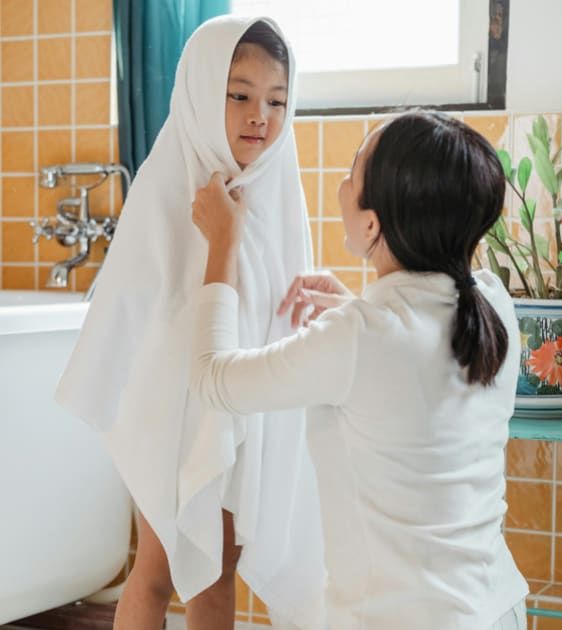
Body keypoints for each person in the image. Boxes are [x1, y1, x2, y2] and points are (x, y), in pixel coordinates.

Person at [188, 110, 530, 629]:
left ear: (371, 223)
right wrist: (353, 310)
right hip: (496, 609)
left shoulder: (360, 336)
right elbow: (416, 375)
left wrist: (223, 243)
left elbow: (213, 380)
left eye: (351, 175)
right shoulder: (493, 304)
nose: (342, 187)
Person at [55, 16, 325, 629]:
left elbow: (282, 290)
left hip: (238, 400)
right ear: (204, 93)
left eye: (277, 101)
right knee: (157, 567)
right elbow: (128, 294)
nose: (261, 115)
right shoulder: (168, 179)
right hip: (172, 409)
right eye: (240, 95)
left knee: (218, 567)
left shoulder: (277, 184)